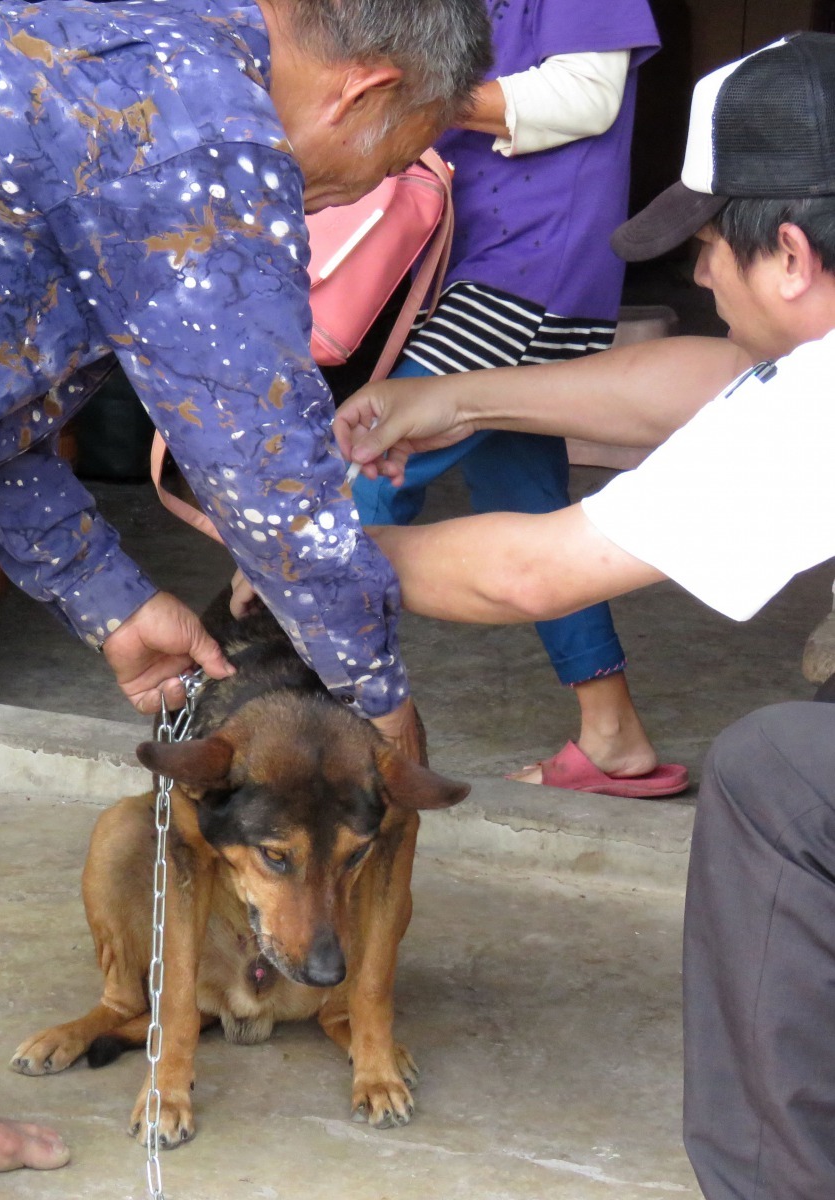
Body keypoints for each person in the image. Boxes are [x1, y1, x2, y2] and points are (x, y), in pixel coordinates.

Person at [330, 32, 835, 1198]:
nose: (700, 276)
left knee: (782, 774)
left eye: (709, 248)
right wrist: (453, 398)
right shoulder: (804, 364)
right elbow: (719, 383)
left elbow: (531, 576)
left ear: (793, 253)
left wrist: (318, 553)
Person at [0, 0, 492, 1173]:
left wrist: (110, 595)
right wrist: (374, 692)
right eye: (387, 162)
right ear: (364, 92)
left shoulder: (90, 33)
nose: (340, 203)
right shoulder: (206, 128)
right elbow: (263, 473)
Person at [351, 0, 690, 797]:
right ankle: (612, 733)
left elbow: (584, 97)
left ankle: (295, 714)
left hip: (529, 269)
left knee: (368, 467)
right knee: (527, 496)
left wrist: (397, 94)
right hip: (476, 259)